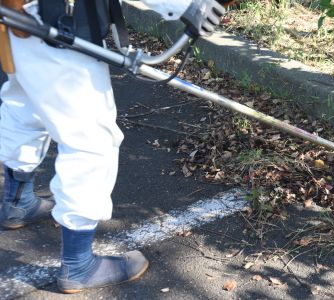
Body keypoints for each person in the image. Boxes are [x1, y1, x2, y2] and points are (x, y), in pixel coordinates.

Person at [0, 0, 225, 293]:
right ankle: (79, 265)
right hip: (54, 18)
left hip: (20, 17)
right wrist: (186, 5)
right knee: (92, 142)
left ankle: (17, 202)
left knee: (26, 107)